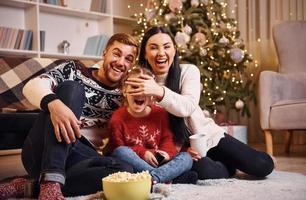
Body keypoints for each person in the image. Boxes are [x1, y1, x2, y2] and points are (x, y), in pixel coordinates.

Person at [0, 33, 138, 200]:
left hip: (80, 158)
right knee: (73, 89)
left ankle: (31, 186)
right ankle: (51, 179)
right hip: (43, 148)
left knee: (124, 171)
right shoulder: (74, 69)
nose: (121, 62)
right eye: (116, 53)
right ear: (104, 53)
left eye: (128, 59)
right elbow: (32, 86)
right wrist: (55, 105)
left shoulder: (125, 93)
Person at [124, 26, 274, 180]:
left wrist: (158, 91)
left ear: (174, 50)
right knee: (203, 171)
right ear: (145, 54)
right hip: (179, 151)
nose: (161, 53)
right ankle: (228, 167)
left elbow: (187, 107)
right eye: (153, 48)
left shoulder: (188, 71)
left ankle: (228, 161)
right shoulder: (139, 81)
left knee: (262, 165)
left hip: (207, 136)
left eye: (167, 47)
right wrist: (181, 151)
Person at [108, 66, 198, 184]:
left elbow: (168, 140)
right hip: (137, 163)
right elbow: (116, 149)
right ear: (125, 90)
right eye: (135, 87)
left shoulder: (160, 113)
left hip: (159, 161)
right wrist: (143, 153)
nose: (140, 93)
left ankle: (153, 178)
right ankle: (164, 177)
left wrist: (165, 153)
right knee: (120, 152)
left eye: (144, 89)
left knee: (186, 158)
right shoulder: (117, 118)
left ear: (152, 94)